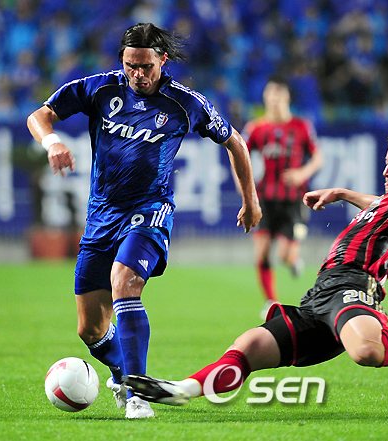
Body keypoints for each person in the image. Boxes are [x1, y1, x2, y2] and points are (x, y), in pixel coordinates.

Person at [123, 126, 388, 406]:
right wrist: (342, 193)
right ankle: (181, 389)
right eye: (385, 162)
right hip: (320, 296)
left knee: (366, 351)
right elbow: (378, 202)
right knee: (251, 344)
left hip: (354, 287)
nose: (385, 170)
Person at [26, 23, 262, 419]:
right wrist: (52, 142)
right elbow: (40, 116)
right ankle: (122, 373)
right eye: (130, 65)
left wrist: (250, 200)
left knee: (125, 281)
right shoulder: (100, 89)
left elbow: (235, 142)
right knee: (90, 329)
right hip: (101, 215)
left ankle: (137, 394)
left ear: (162, 60)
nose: (138, 74)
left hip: (151, 210)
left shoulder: (185, 103)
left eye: (146, 66)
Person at [243, 75, 323, 318]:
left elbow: (318, 157)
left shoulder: (301, 126)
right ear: (265, 98)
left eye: (278, 95)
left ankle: (293, 261)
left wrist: (302, 173)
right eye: (270, 95)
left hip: (294, 200)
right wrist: (245, 191)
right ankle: (271, 302)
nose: (274, 100)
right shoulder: (256, 128)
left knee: (285, 255)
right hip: (264, 199)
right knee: (262, 252)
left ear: (286, 98)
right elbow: (240, 156)